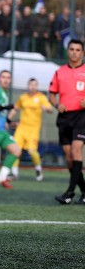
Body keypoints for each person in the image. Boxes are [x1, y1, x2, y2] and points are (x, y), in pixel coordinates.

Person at [49, 39, 85, 205]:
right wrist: (57, 104)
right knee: (69, 158)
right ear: (68, 51)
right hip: (64, 118)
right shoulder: (59, 72)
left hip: (81, 116)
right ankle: (84, 192)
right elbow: (52, 94)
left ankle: (69, 193)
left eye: (78, 50)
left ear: (82, 53)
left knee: (77, 150)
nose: (74, 52)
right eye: (72, 49)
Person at [6, 78, 53, 181]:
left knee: (32, 151)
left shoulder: (41, 97)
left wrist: (46, 109)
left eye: (35, 85)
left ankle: (38, 168)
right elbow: (15, 109)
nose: (33, 86)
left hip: (33, 129)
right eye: (31, 84)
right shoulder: (23, 97)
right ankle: (14, 173)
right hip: (21, 128)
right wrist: (8, 120)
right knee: (15, 150)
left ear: (37, 86)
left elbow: (50, 109)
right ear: (28, 85)